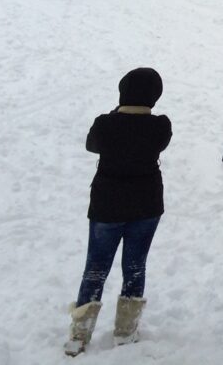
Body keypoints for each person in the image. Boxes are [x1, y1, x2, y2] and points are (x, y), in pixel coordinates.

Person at [65, 68, 171, 356]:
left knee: (95, 269)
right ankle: (126, 331)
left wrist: (118, 112)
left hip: (107, 207)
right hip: (147, 206)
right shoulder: (160, 126)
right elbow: (158, 141)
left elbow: (91, 145)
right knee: (135, 267)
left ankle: (79, 336)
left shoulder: (106, 124)